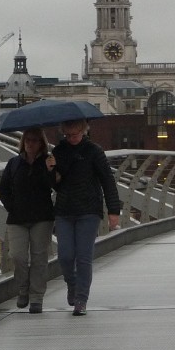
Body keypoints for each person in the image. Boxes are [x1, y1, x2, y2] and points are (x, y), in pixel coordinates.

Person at [51, 119, 122, 316]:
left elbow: (107, 180)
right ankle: (72, 283)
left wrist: (113, 211)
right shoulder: (58, 151)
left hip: (89, 210)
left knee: (83, 257)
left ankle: (81, 299)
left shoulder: (94, 151)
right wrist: (51, 171)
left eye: (75, 134)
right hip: (64, 210)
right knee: (65, 256)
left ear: (83, 131)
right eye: (67, 135)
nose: (71, 138)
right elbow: (55, 185)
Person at [0, 126, 56, 314]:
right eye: (28, 140)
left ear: (41, 143)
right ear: (23, 142)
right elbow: (3, 188)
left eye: (34, 140)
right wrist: (11, 207)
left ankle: (37, 298)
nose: (30, 144)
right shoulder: (14, 163)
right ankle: (23, 289)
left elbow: (56, 186)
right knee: (18, 256)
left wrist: (51, 171)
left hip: (42, 217)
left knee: (39, 258)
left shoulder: (48, 162)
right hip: (17, 218)